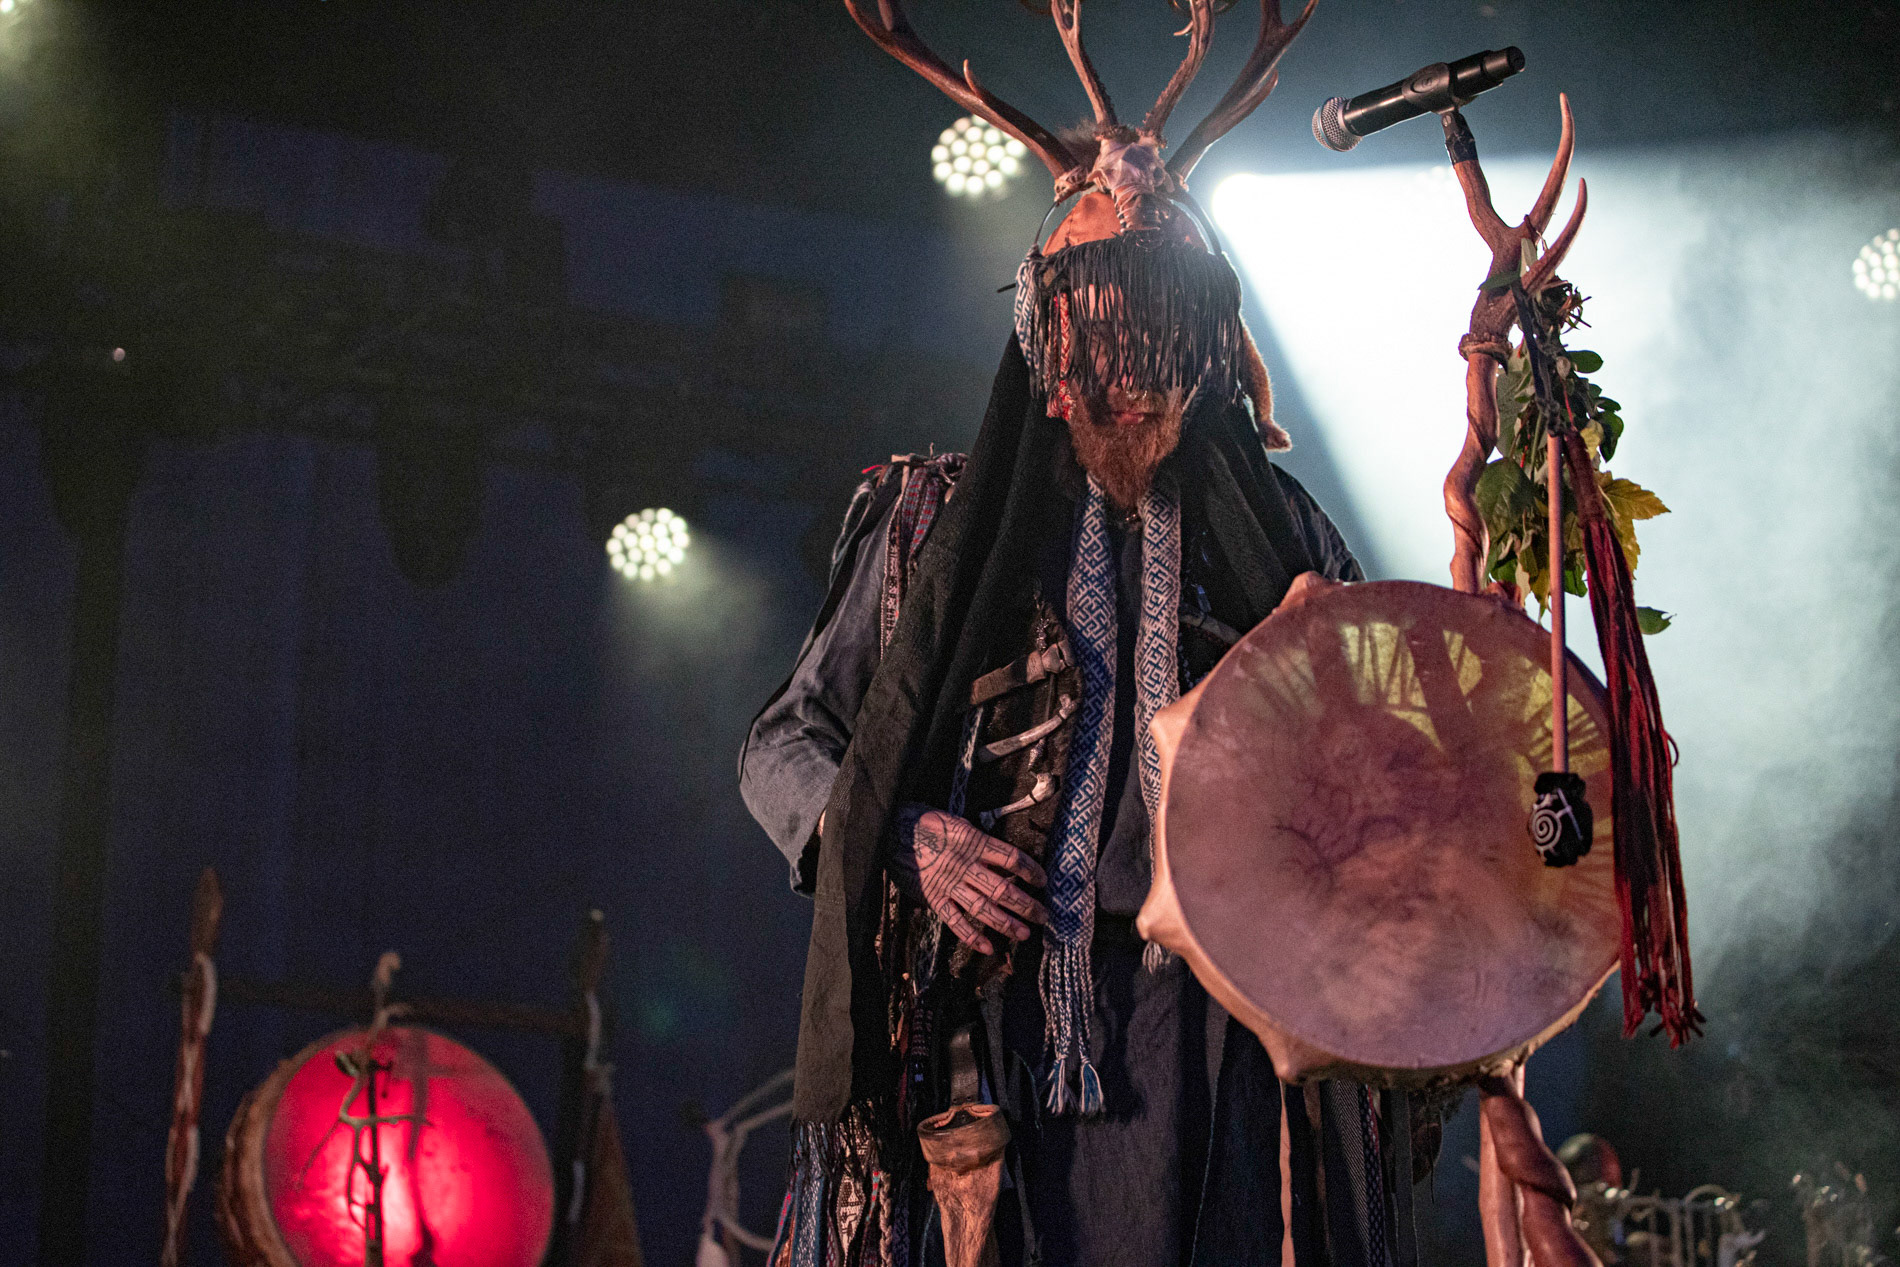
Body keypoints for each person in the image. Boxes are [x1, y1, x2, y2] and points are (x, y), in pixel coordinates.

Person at [740, 6, 1434, 1264]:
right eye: (1098, 341)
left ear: (1204, 354)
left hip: (1226, 1043)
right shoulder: (926, 525)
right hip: (994, 1037)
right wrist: (903, 835)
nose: (1124, 377)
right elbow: (785, 744)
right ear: (1047, 346)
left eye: (1156, 343)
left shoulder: (1286, 542)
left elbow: (1403, 751)